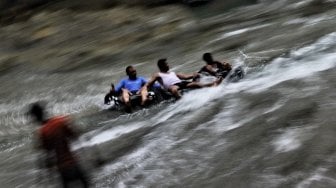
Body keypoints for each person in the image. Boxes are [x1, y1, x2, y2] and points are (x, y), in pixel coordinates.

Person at [28, 102, 90, 188]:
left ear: (35, 117)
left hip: (63, 170)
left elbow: (48, 156)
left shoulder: (42, 132)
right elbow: (75, 136)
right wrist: (88, 155)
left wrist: (49, 176)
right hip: (73, 164)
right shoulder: (60, 120)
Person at [146, 58, 223, 99]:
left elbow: (185, 77)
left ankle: (213, 84)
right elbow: (149, 83)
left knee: (195, 84)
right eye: (166, 64)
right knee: (174, 89)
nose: (168, 65)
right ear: (162, 66)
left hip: (181, 83)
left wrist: (194, 75)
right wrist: (147, 90)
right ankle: (181, 101)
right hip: (172, 86)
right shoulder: (158, 74)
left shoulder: (173, 73)